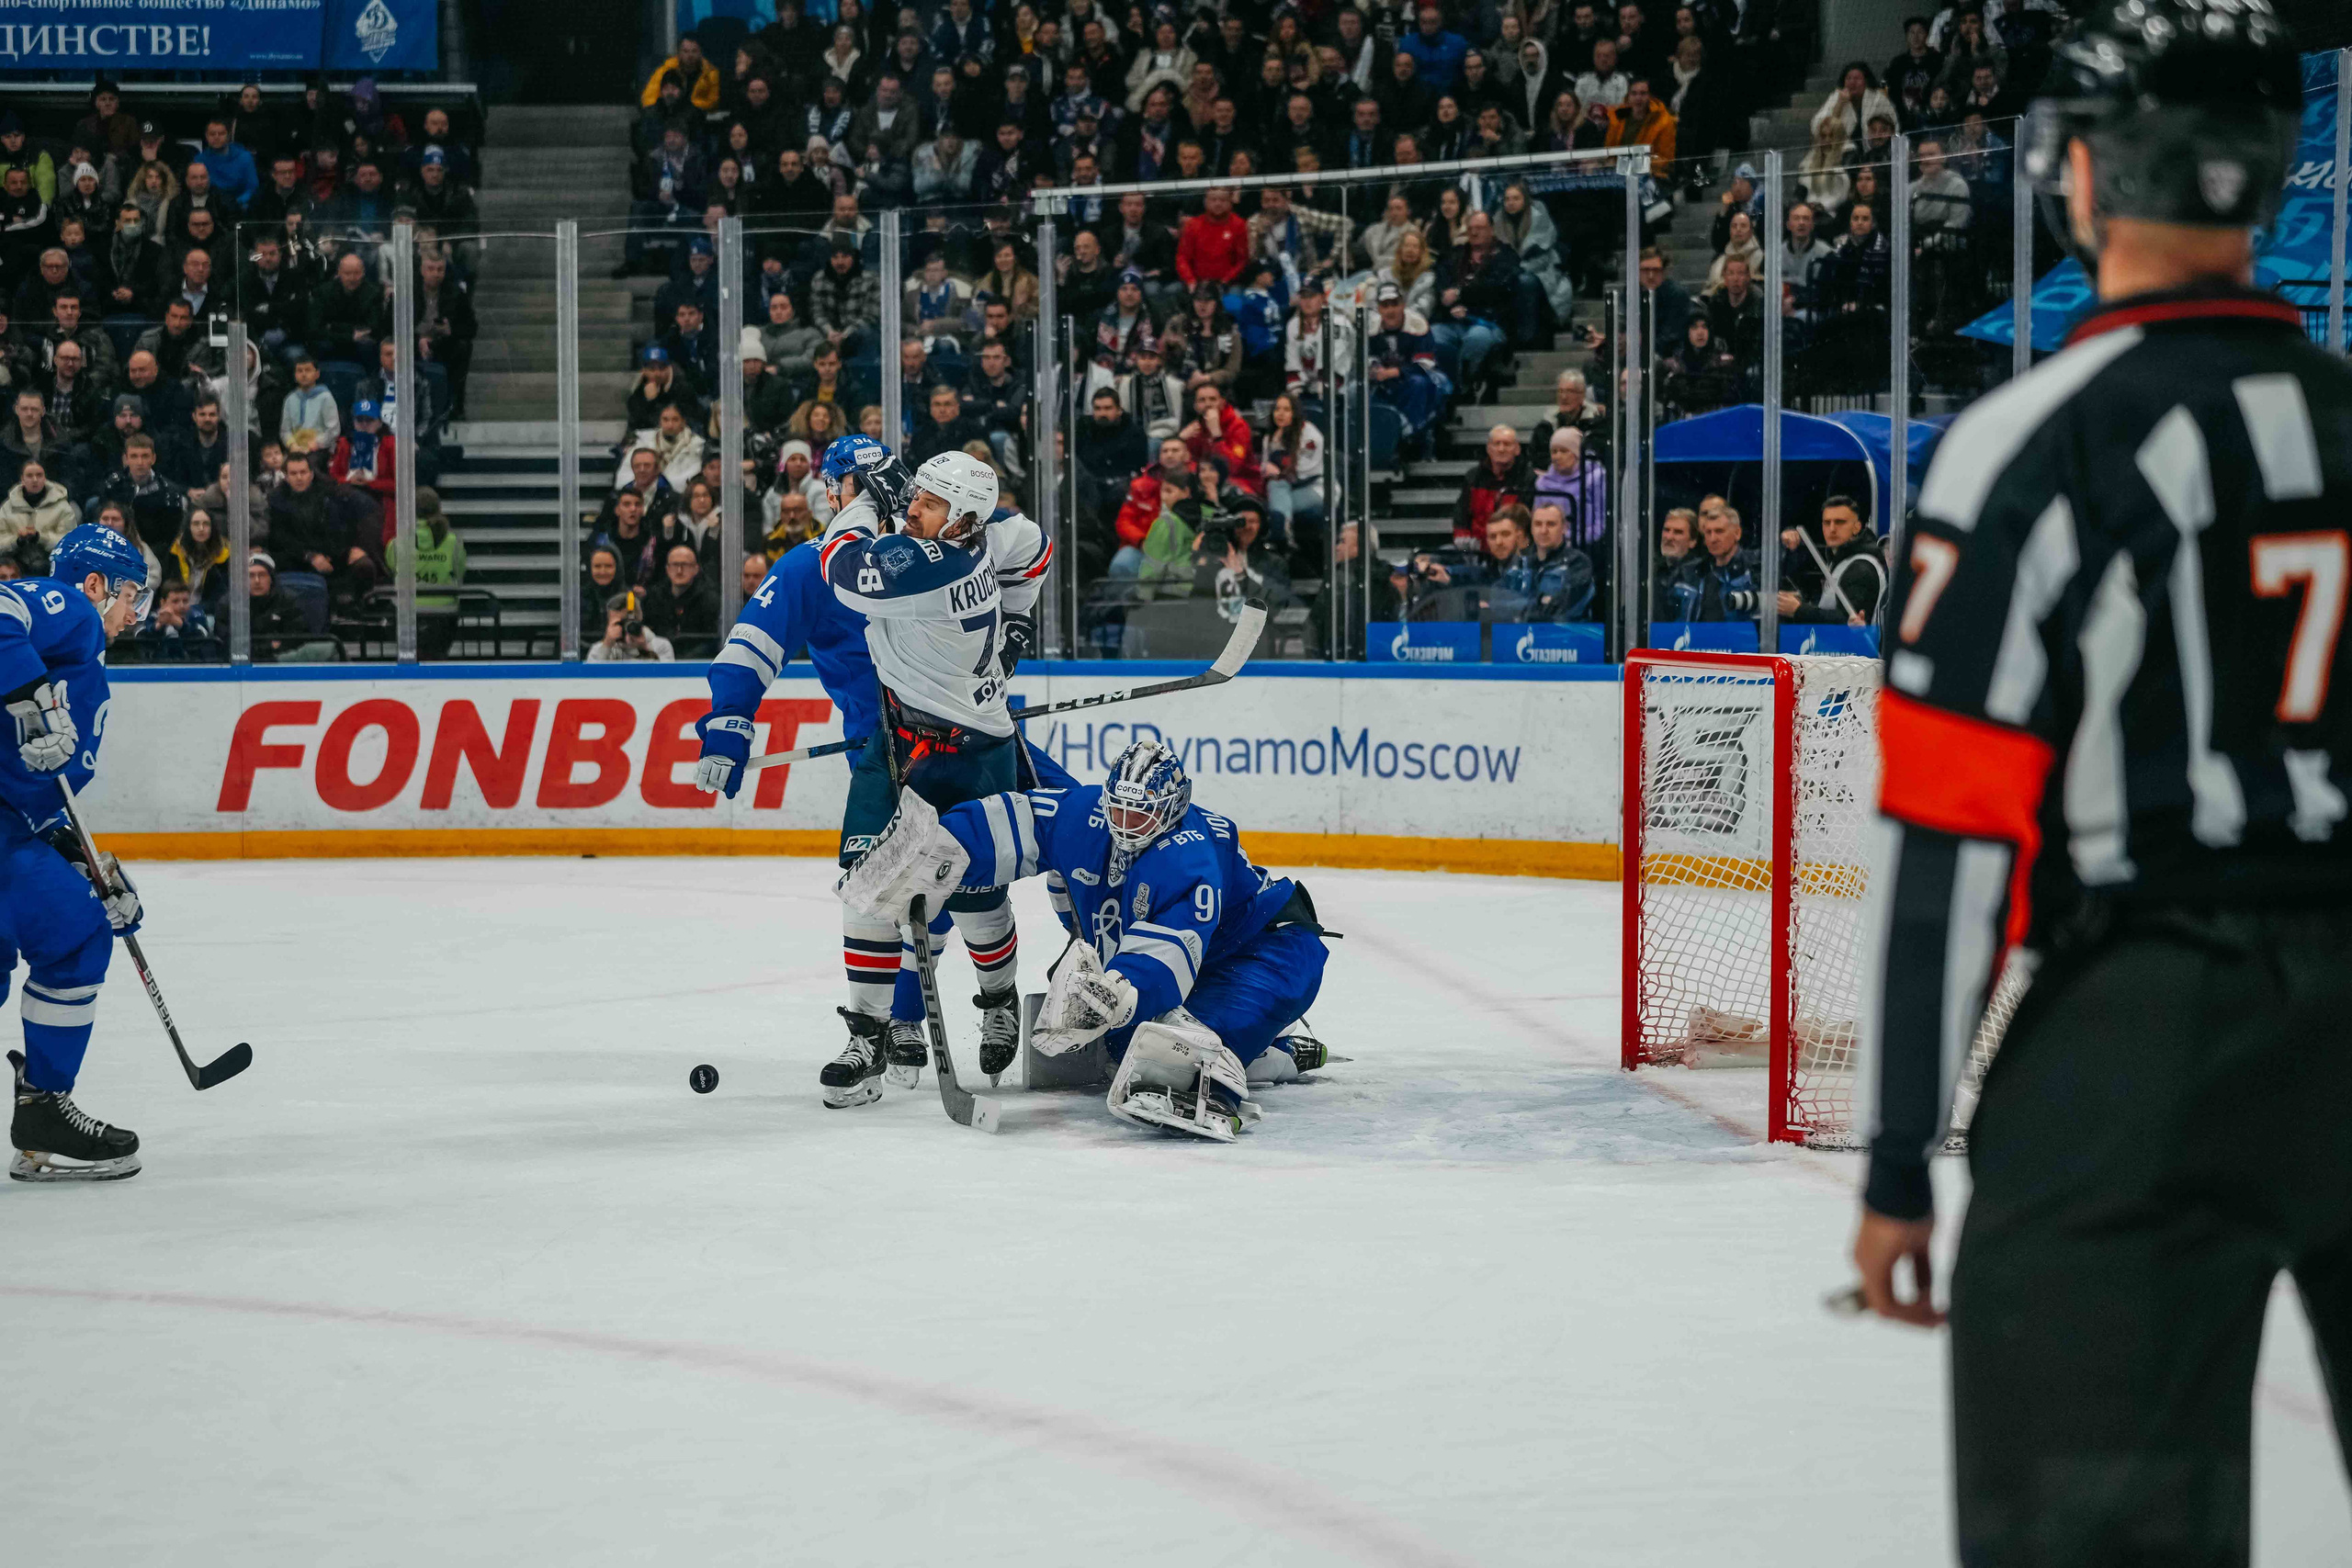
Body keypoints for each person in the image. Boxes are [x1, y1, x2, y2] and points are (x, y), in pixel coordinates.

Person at [1849, 6, 2352, 1562]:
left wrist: (1893, 1161)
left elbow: (1951, 834)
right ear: (2267, 182)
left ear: (2082, 180)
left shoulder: (2026, 444)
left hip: (2146, 1033)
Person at [692, 439, 1037, 1108]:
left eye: (866, 483)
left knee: (972, 886)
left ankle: (987, 1001)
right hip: (883, 741)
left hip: (971, 732)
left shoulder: (925, 547)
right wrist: (728, 718)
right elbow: (752, 643)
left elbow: (1018, 548)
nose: (901, 498)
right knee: (870, 887)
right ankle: (875, 1032)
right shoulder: (830, 558)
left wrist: (1016, 625)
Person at [839, 739, 1340, 1141]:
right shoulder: (1087, 814)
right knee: (1126, 1047)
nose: (1125, 826)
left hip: (1267, 951)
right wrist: (939, 849)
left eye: (1140, 816)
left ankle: (1286, 1053)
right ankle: (1239, 1039)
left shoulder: (1189, 858)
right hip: (1211, 955)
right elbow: (1016, 821)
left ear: (1173, 810)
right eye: (1119, 809)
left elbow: (1168, 955)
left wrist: (1118, 993)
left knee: (1173, 1055)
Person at [2, 524, 151, 1179]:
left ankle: (42, 1108)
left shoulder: (85, 665)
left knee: (80, 927)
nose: (133, 613)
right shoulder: (72, 615)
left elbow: (35, 789)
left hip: (11, 834)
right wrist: (30, 698)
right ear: (94, 585)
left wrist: (80, 857)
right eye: (128, 596)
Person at [1774, 493, 1880, 626]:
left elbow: (1848, 621)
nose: (1832, 529)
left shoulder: (1861, 568)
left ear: (1857, 527)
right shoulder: (1838, 560)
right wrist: (1789, 543)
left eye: (1840, 522)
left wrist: (1799, 610)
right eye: (1826, 523)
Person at [586, 589, 675, 661]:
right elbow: (590, 678)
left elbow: (666, 679)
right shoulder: (599, 650)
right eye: (619, 624)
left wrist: (644, 650)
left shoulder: (661, 646)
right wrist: (607, 645)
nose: (625, 628)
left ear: (639, 619)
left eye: (629, 622)